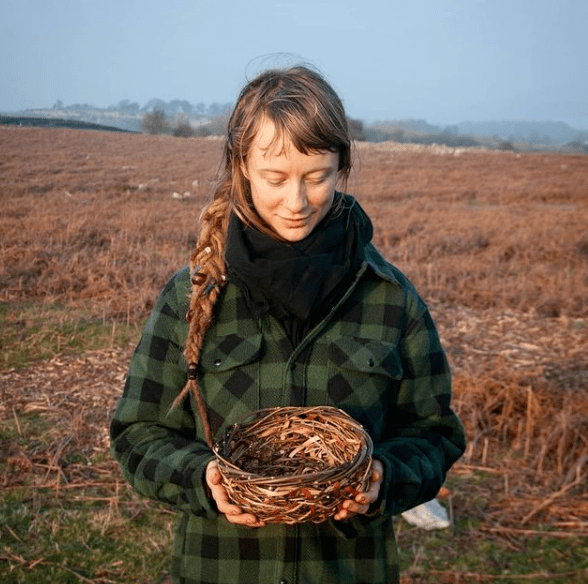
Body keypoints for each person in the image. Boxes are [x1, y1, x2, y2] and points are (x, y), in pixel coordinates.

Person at [110, 64, 466, 584]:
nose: (296, 202)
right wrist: (200, 479)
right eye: (275, 178)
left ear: (342, 164)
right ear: (243, 166)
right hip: (220, 568)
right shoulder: (193, 296)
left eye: (316, 177)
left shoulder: (390, 300)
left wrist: (386, 479)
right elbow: (138, 432)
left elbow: (435, 434)